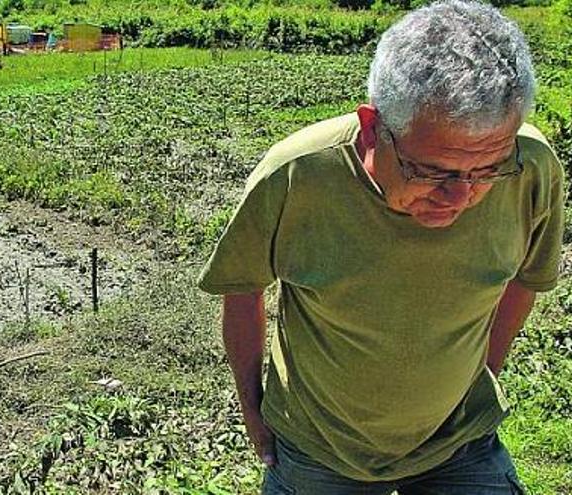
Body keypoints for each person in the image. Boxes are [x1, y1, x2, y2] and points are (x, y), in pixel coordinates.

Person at [197, 1, 564, 493]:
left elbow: (526, 279)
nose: (461, 197)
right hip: (320, 447)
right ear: (373, 129)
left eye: (485, 171)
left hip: (459, 439)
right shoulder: (296, 175)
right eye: (433, 171)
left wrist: (486, 372)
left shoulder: (531, 167)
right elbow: (241, 289)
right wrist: (251, 406)